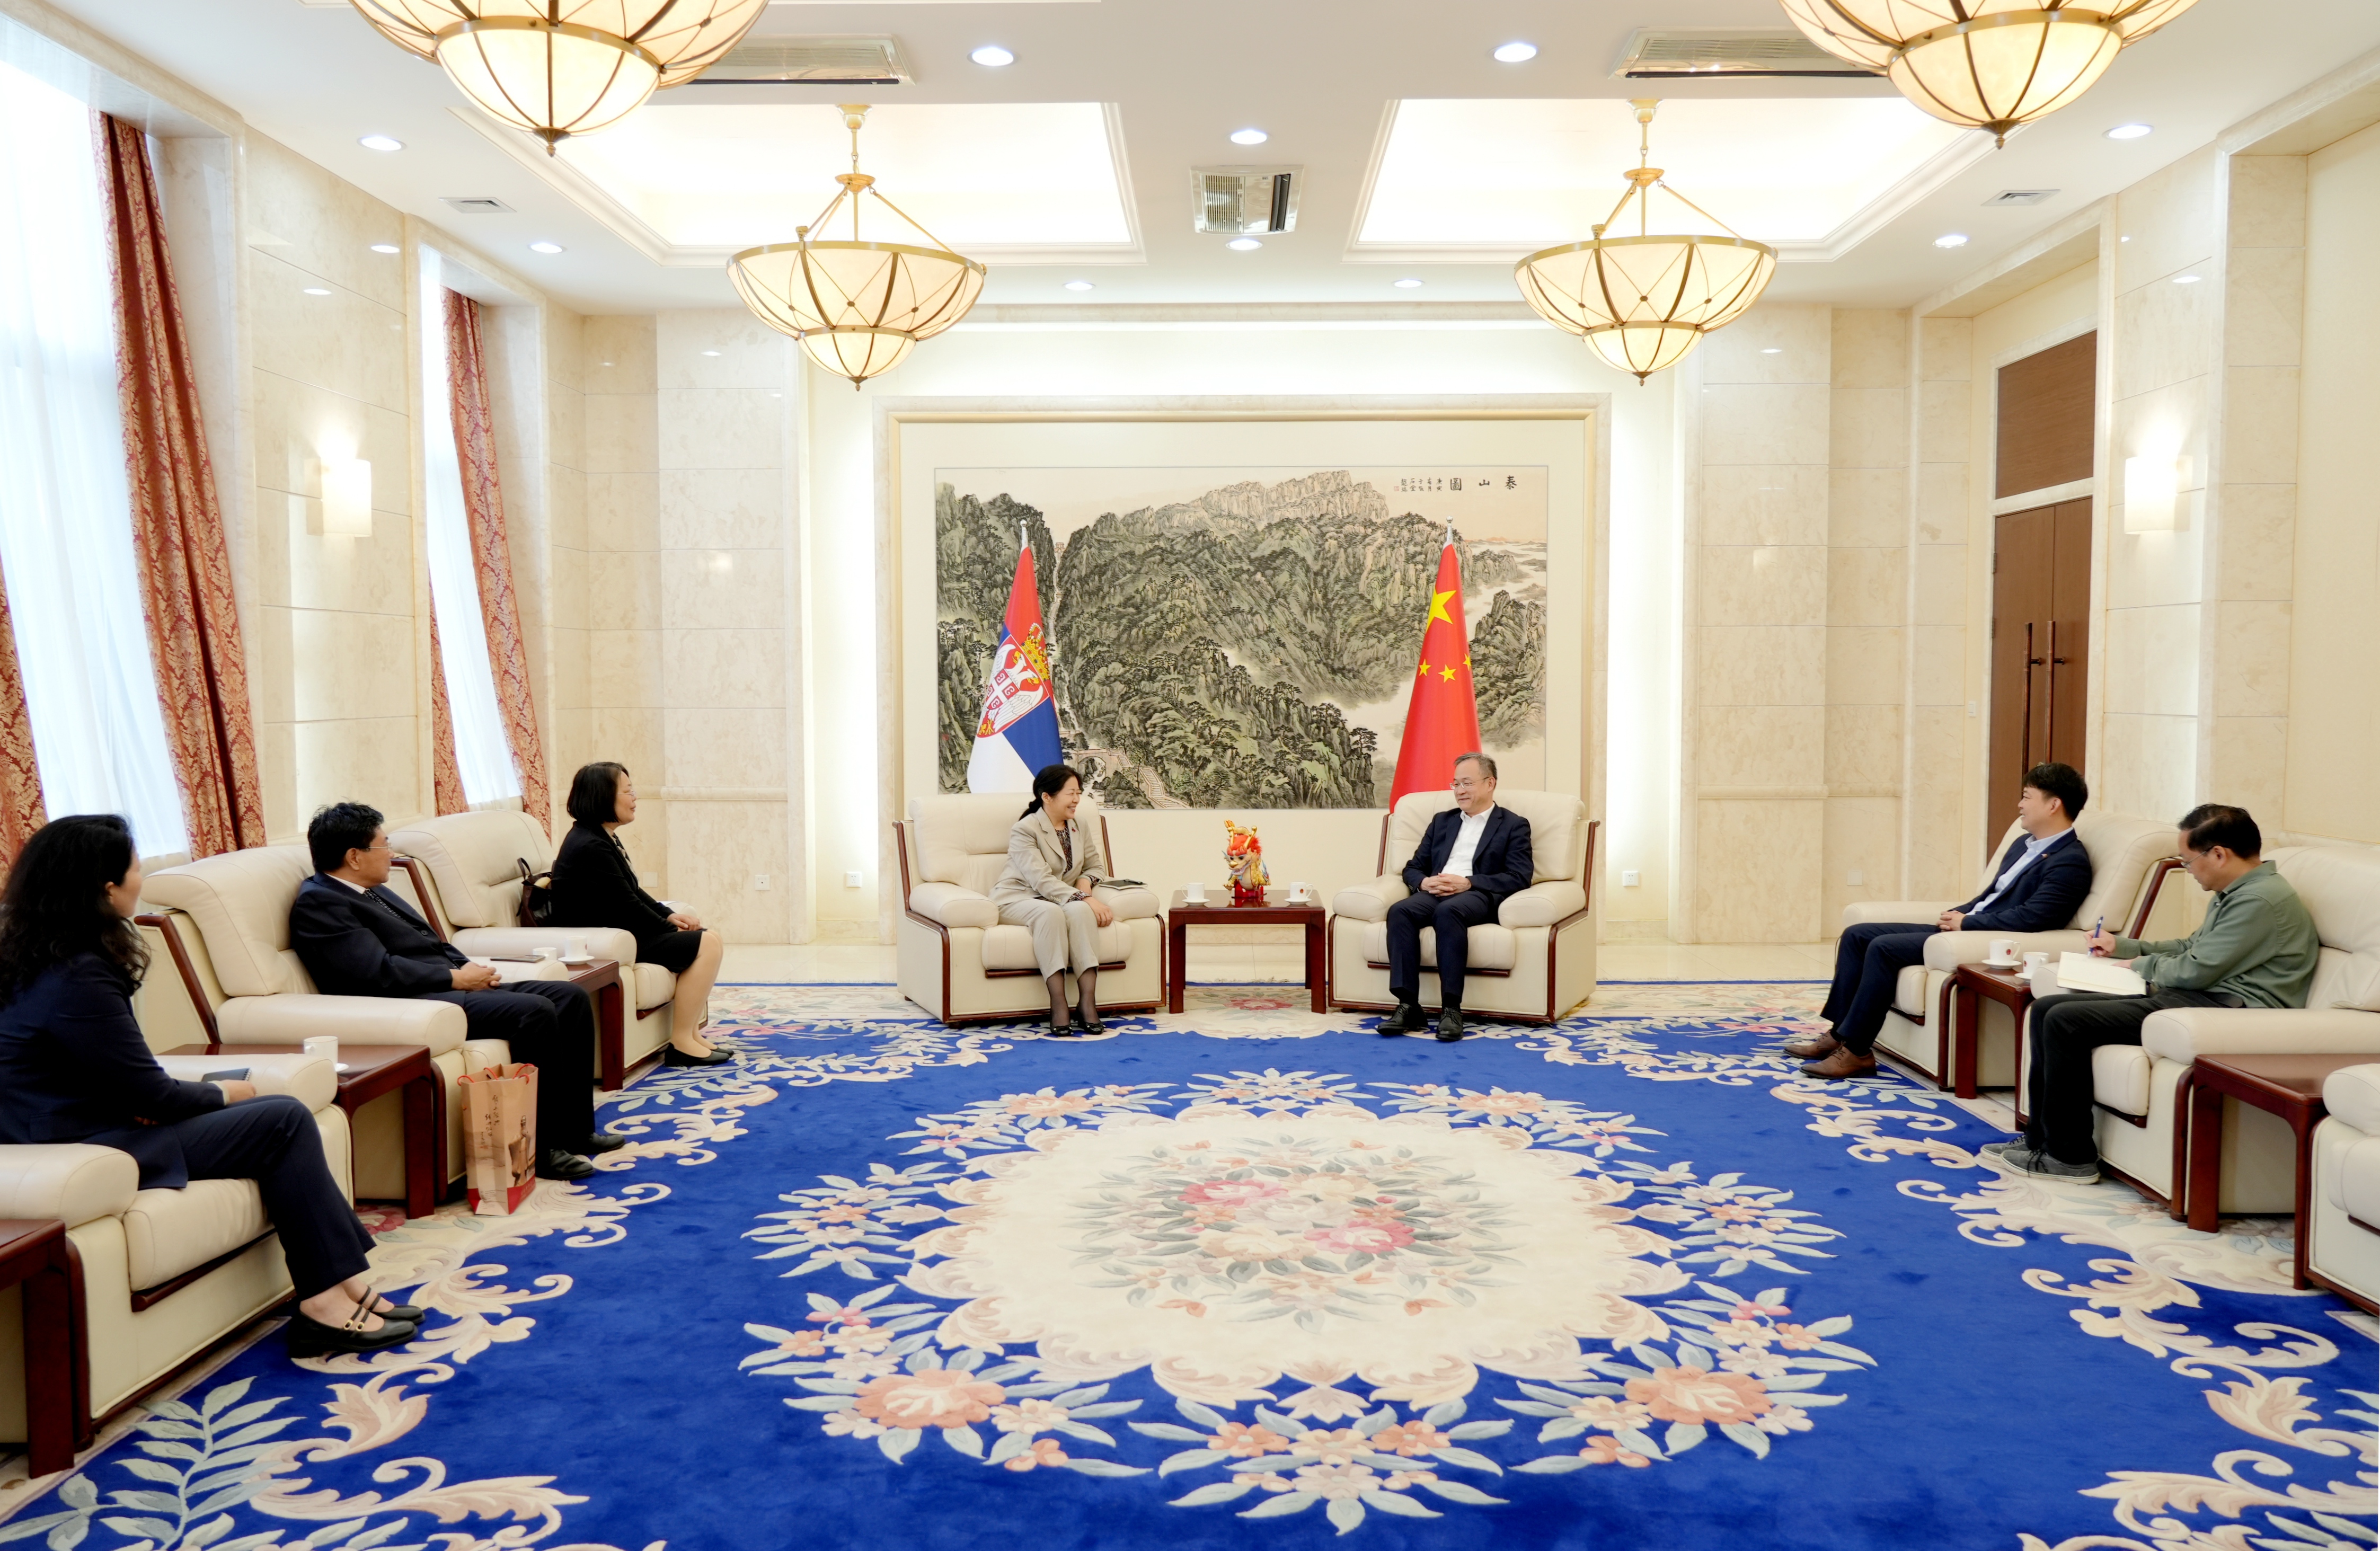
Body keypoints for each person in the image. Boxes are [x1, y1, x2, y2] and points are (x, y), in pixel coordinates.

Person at [0, 816, 418, 1357]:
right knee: (282, 1118)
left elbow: (111, 1071)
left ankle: (341, 1283)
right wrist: (221, 1094)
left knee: (274, 1113)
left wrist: (170, 1097)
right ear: (106, 887)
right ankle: (324, 1300)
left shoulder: (32, 955)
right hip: (85, 1140)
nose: (140, 879)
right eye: (135, 868)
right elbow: (149, 1093)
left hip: (71, 1121)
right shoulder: (79, 972)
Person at [1987, 803, 2318, 1183]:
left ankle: (2070, 1156)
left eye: (2188, 861)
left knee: (2065, 1020)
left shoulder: (2259, 901)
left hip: (2226, 1009)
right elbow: (2189, 947)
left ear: (2218, 854)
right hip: (2202, 998)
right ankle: (2040, 1140)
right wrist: (2125, 947)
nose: (2188, 870)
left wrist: (2141, 966)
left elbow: (2194, 969)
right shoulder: (2237, 892)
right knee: (2047, 1009)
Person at [288, 802, 620, 1181]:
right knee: (535, 1011)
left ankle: (577, 1130)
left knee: (569, 997)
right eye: (384, 845)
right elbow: (374, 972)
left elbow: (431, 942)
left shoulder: (370, 889)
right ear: (354, 856)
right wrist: (453, 979)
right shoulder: (320, 901)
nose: (391, 854)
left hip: (442, 986)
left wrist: (467, 968)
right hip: (409, 1003)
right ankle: (542, 1149)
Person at [1791, 761, 2094, 1081]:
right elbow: (1992, 895)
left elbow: (2035, 917)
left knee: (1884, 948)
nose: (2020, 804)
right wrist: (1959, 913)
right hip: (1967, 927)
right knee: (1857, 935)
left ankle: (1857, 1052)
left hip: (1984, 938)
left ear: (2053, 805)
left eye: (2027, 797)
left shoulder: (2070, 862)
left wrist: (1967, 924)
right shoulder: (2024, 844)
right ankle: (1839, 1034)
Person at [548, 762, 729, 1069]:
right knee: (707, 944)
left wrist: (668, 916)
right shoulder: (590, 845)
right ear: (603, 796)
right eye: (628, 791)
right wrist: (668, 929)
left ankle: (690, 1035)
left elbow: (631, 891)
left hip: (619, 931)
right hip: (603, 940)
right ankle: (682, 1043)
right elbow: (628, 905)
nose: (635, 798)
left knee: (709, 938)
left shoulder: (599, 836)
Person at [1377, 752, 1534, 1044]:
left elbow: (1519, 876)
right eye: (1456, 784)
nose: (1460, 790)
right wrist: (1424, 882)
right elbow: (1413, 867)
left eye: (1467, 783)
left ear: (1490, 783)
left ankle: (1451, 1009)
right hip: (1436, 891)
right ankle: (1408, 1005)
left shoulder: (1513, 825)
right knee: (1400, 911)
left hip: (1478, 895)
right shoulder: (1442, 821)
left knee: (1448, 912)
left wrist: (1468, 882)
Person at [990, 763, 1114, 1037]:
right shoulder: (1025, 829)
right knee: (1051, 913)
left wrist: (1085, 884)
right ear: (1047, 796)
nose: (1077, 799)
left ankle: (1087, 1003)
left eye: (1079, 792)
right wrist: (1086, 898)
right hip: (1017, 897)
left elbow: (1096, 866)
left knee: (1081, 912)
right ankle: (1058, 1004)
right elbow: (1041, 881)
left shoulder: (1080, 825)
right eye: (1071, 793)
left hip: (1058, 898)